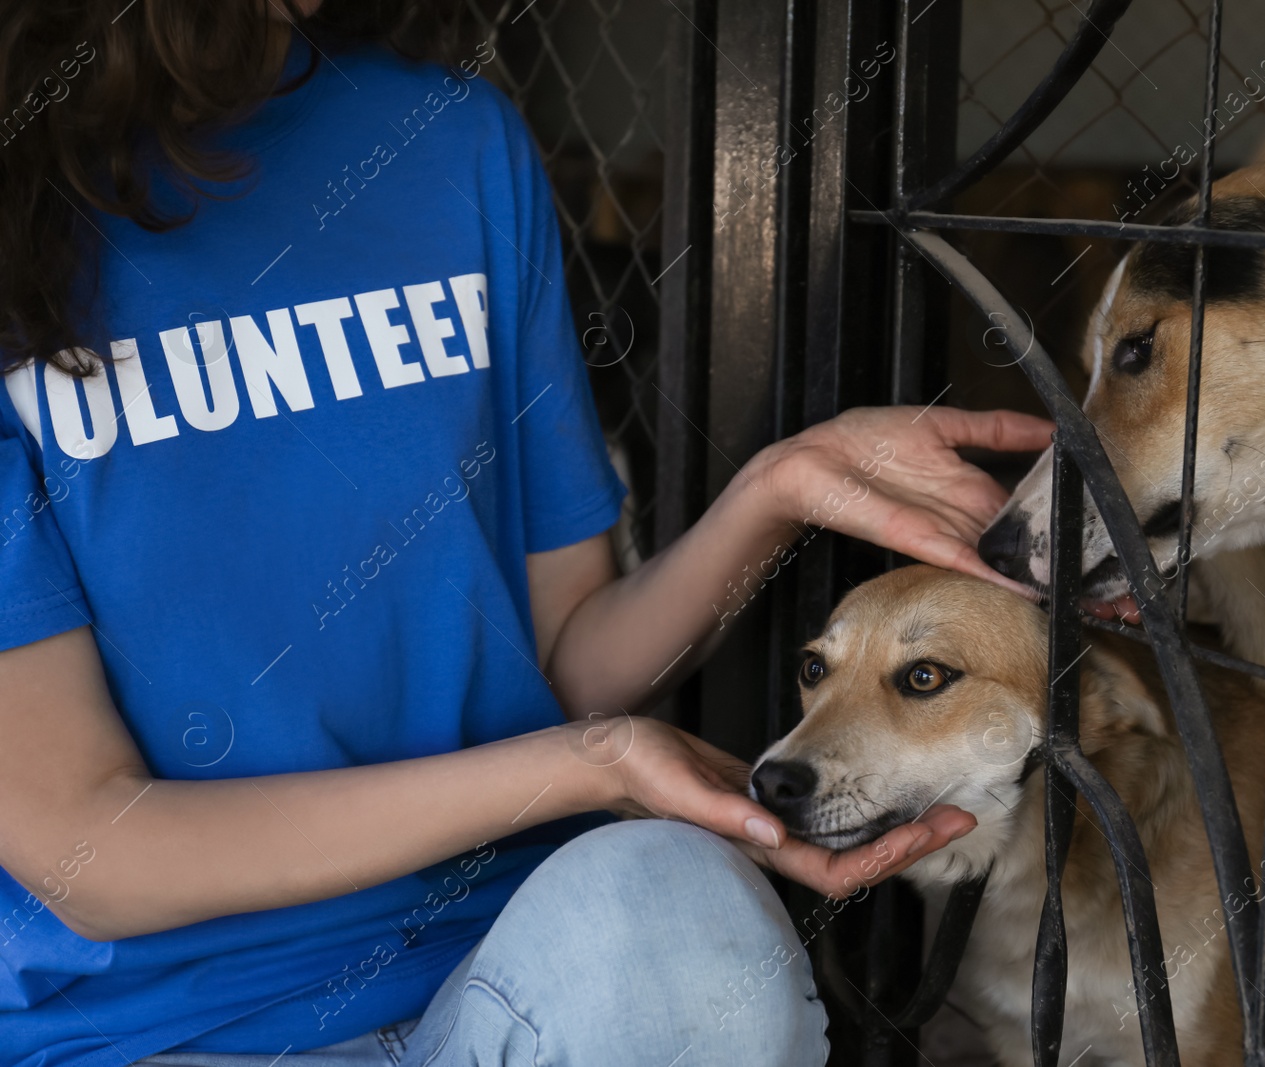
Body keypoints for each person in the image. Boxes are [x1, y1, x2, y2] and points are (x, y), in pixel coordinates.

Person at [0, 3, 1054, 1065]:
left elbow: (568, 661)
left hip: (515, 965)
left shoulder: (453, 142)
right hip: (154, 1029)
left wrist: (776, 487)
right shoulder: (23, 196)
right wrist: (586, 764)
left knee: (690, 912)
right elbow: (87, 846)